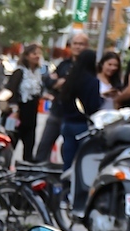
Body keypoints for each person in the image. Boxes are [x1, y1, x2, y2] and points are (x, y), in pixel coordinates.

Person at [36, 31, 90, 163]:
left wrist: (64, 82)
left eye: (81, 44)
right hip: (57, 112)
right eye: (75, 43)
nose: (77, 47)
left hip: (76, 117)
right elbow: (49, 81)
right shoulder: (64, 64)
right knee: (44, 146)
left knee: (71, 152)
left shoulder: (88, 66)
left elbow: (81, 86)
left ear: (86, 46)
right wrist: (58, 82)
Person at [59, 49, 101, 169]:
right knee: (83, 162)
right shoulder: (93, 81)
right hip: (83, 125)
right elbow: (93, 106)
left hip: (67, 122)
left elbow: (62, 99)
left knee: (68, 160)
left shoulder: (71, 78)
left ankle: (66, 185)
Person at [4, 44, 46, 162]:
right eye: (34, 53)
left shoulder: (38, 73)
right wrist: (14, 109)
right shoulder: (19, 72)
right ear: (27, 56)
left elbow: (38, 91)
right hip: (17, 114)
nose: (37, 56)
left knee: (29, 146)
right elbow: (10, 91)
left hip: (31, 114)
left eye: (39, 53)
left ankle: (25, 172)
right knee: (11, 144)